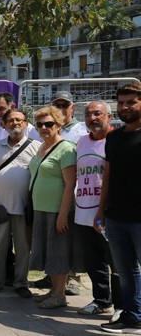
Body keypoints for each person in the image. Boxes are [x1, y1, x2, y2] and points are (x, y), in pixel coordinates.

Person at [0, 109, 40, 298]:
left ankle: (21, 282)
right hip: (0, 206)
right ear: (4, 125)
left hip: (25, 208)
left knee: (23, 247)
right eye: (11, 120)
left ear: (26, 124)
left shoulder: (36, 147)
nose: (15, 123)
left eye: (19, 120)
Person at [98, 83, 141, 333]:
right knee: (126, 272)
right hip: (115, 218)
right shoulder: (113, 137)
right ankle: (133, 317)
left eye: (131, 102)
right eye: (121, 102)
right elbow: (108, 176)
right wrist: (101, 210)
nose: (125, 107)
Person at [75, 101, 121, 319]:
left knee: (118, 263)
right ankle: (102, 300)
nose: (92, 118)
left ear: (109, 117)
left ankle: (122, 306)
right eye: (88, 114)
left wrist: (104, 211)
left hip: (110, 214)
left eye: (97, 114)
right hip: (84, 211)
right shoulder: (81, 142)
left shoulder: (117, 140)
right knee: (94, 262)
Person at [28, 106, 76, 309]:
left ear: (59, 125)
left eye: (49, 124)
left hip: (57, 209)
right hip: (41, 208)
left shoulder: (66, 148)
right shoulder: (41, 147)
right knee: (49, 251)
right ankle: (54, 290)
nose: (44, 128)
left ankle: (60, 295)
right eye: (40, 124)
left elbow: (70, 184)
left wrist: (63, 214)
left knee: (59, 252)